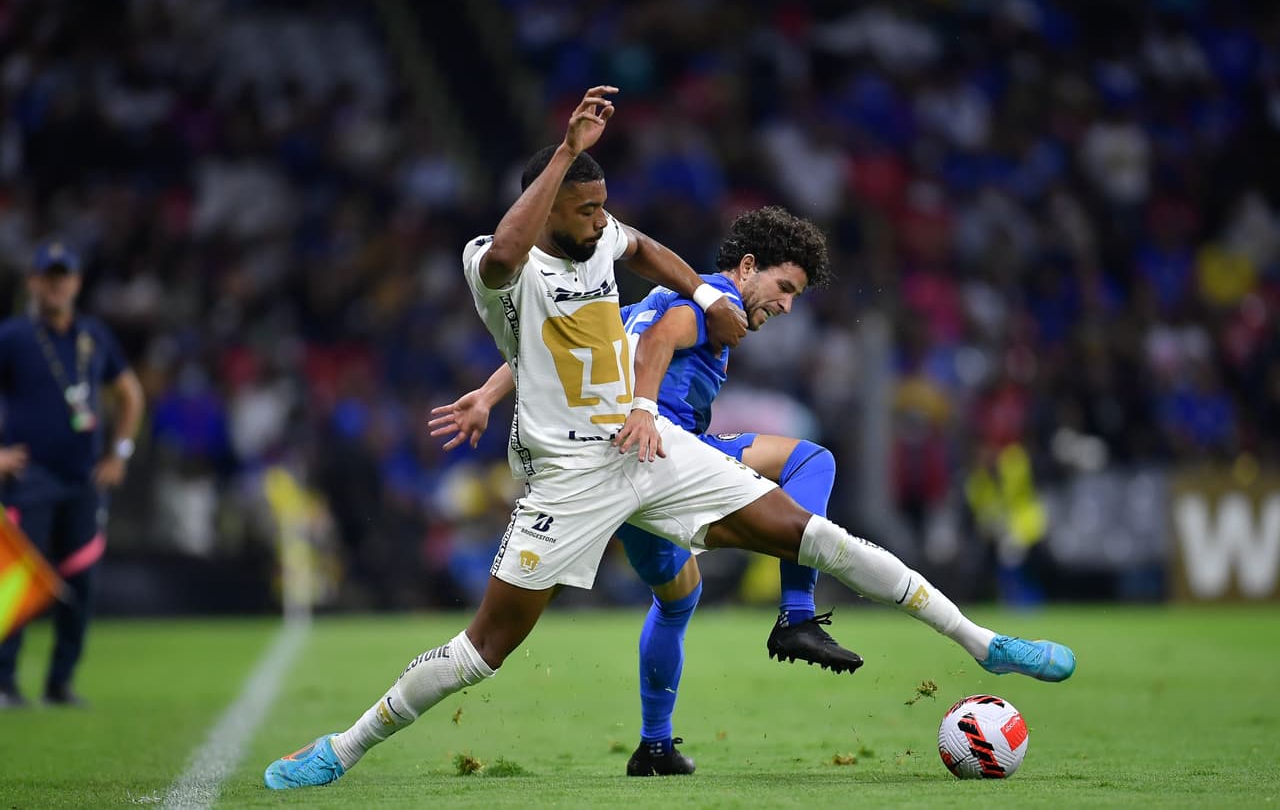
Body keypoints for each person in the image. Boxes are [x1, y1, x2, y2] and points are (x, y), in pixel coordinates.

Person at [263, 86, 1075, 791]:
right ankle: (341, 748)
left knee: (814, 533)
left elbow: (641, 253)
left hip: (648, 452)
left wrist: (702, 293)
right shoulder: (494, 262)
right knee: (487, 647)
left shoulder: (604, 237)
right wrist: (566, 157)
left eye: (599, 205)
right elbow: (519, 259)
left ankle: (984, 642)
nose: (598, 222)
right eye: (582, 209)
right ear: (547, 205)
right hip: (569, 476)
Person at [428, 204, 861, 777]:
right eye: (785, 288)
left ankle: (654, 748)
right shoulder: (714, 302)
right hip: (661, 455)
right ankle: (797, 613)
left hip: (622, 463)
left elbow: (562, 348)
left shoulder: (648, 300)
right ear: (748, 266)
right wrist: (647, 411)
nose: (786, 306)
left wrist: (487, 393)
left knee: (678, 596)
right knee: (812, 460)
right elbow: (659, 343)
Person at [0, 242, 145, 708]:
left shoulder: (93, 336)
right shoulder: (14, 336)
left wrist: (120, 452)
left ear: (77, 282)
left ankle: (60, 682)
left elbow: (130, 394)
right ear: (33, 283)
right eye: (49, 276)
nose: (58, 284)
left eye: (65, 276)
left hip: (84, 481)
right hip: (30, 480)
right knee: (18, 582)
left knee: (80, 582)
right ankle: (4, 683)